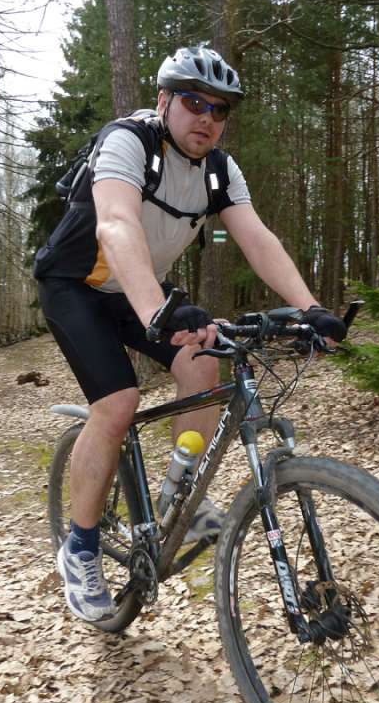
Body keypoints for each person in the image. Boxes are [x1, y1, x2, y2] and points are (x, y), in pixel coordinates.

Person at [36, 46, 347, 623]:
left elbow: (257, 239)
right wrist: (157, 310)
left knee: (204, 362)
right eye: (193, 102)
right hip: (76, 284)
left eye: (219, 109)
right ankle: (79, 548)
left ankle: (179, 496)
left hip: (139, 287)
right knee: (118, 403)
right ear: (164, 101)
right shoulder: (128, 141)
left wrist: (311, 308)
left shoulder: (220, 170)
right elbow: (116, 224)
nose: (206, 116)